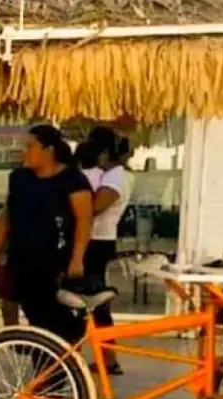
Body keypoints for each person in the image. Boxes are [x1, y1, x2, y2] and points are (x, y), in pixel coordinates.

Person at [0, 125, 93, 344]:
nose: (23, 152)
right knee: (37, 320)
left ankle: (57, 370)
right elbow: (7, 215)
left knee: (57, 322)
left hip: (57, 263)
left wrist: (77, 258)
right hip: (23, 261)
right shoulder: (19, 178)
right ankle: (47, 370)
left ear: (49, 150)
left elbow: (84, 220)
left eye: (29, 146)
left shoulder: (73, 180)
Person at [81, 127, 131, 374]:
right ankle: (107, 358)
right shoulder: (106, 175)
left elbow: (93, 208)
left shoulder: (115, 178)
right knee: (94, 301)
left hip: (97, 243)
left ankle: (108, 358)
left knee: (93, 300)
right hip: (95, 241)